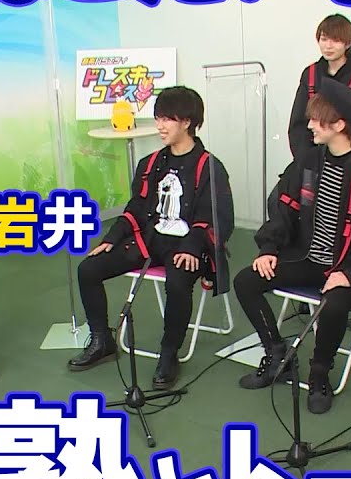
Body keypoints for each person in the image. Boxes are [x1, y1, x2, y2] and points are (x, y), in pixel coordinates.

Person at [236, 78, 351, 415]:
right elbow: (284, 207)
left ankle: (320, 373)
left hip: (348, 267)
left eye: (316, 120)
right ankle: (277, 354)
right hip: (307, 258)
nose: (308, 125)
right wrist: (269, 248)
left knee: (335, 304)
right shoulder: (310, 161)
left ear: (339, 125)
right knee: (246, 281)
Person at [68, 86, 234, 389]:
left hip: (189, 245)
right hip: (150, 240)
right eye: (158, 118)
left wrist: (192, 247)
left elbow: (218, 218)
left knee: (178, 282)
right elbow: (136, 207)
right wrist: (112, 238)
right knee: (88, 269)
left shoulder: (210, 166)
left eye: (167, 119)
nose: (160, 126)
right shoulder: (150, 163)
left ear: (187, 122)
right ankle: (102, 340)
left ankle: (169, 352)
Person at [287, 13, 351, 163]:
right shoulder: (311, 74)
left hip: (349, 158)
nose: (328, 46)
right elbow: (298, 125)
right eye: (324, 39)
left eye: (335, 40)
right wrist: (306, 160)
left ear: (348, 43)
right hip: (314, 158)